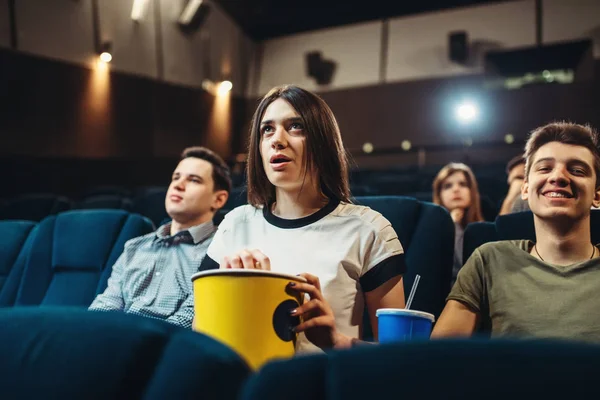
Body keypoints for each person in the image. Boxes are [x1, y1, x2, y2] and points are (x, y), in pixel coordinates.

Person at [198, 85, 406, 352]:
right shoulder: (234, 224)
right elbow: (201, 330)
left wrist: (336, 342)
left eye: (295, 126)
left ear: (323, 142)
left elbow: (400, 359)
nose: (277, 140)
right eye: (267, 129)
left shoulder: (369, 230)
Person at [432, 122, 600, 341]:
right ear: (526, 189)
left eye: (577, 170)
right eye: (545, 168)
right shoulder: (489, 260)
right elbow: (440, 360)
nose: (558, 177)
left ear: (597, 196)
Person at [89, 147, 231, 328]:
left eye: (194, 180)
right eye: (176, 177)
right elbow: (107, 303)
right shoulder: (134, 246)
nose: (178, 185)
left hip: (167, 348)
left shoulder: (221, 250)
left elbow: (189, 318)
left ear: (218, 200)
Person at [432, 163, 484, 284]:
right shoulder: (430, 232)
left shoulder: (484, 230)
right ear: (439, 194)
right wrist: (452, 225)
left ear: (472, 191)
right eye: (447, 186)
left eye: (463, 184)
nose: (456, 189)